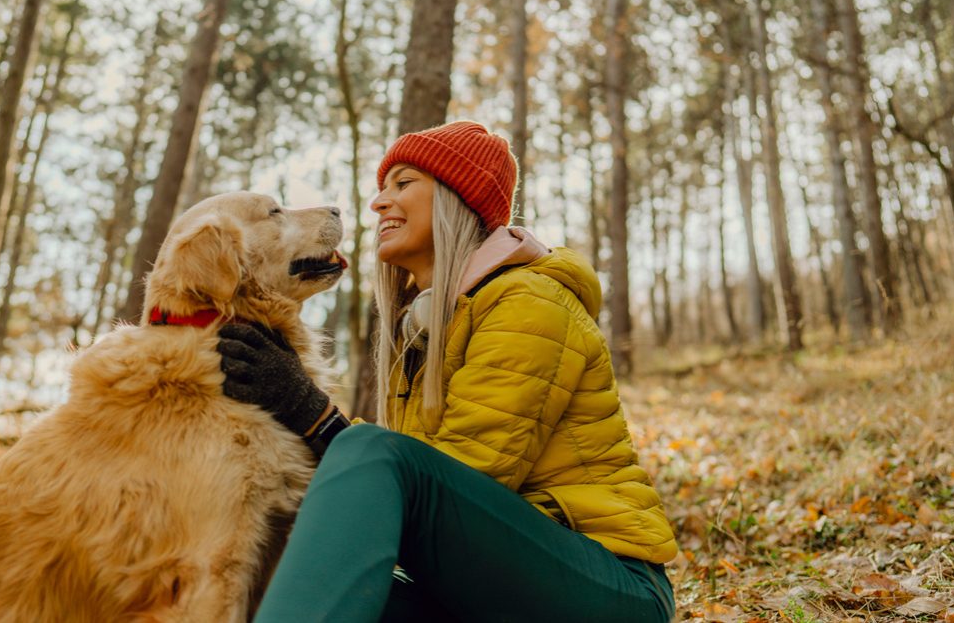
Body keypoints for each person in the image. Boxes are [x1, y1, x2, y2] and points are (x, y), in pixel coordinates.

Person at [217, 121, 678, 622]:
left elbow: (465, 477)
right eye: (381, 187)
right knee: (277, 580)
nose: (378, 202)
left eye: (404, 183)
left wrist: (314, 416)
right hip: (495, 585)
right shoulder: (426, 325)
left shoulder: (528, 301)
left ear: (459, 197)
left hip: (608, 588)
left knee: (369, 451)